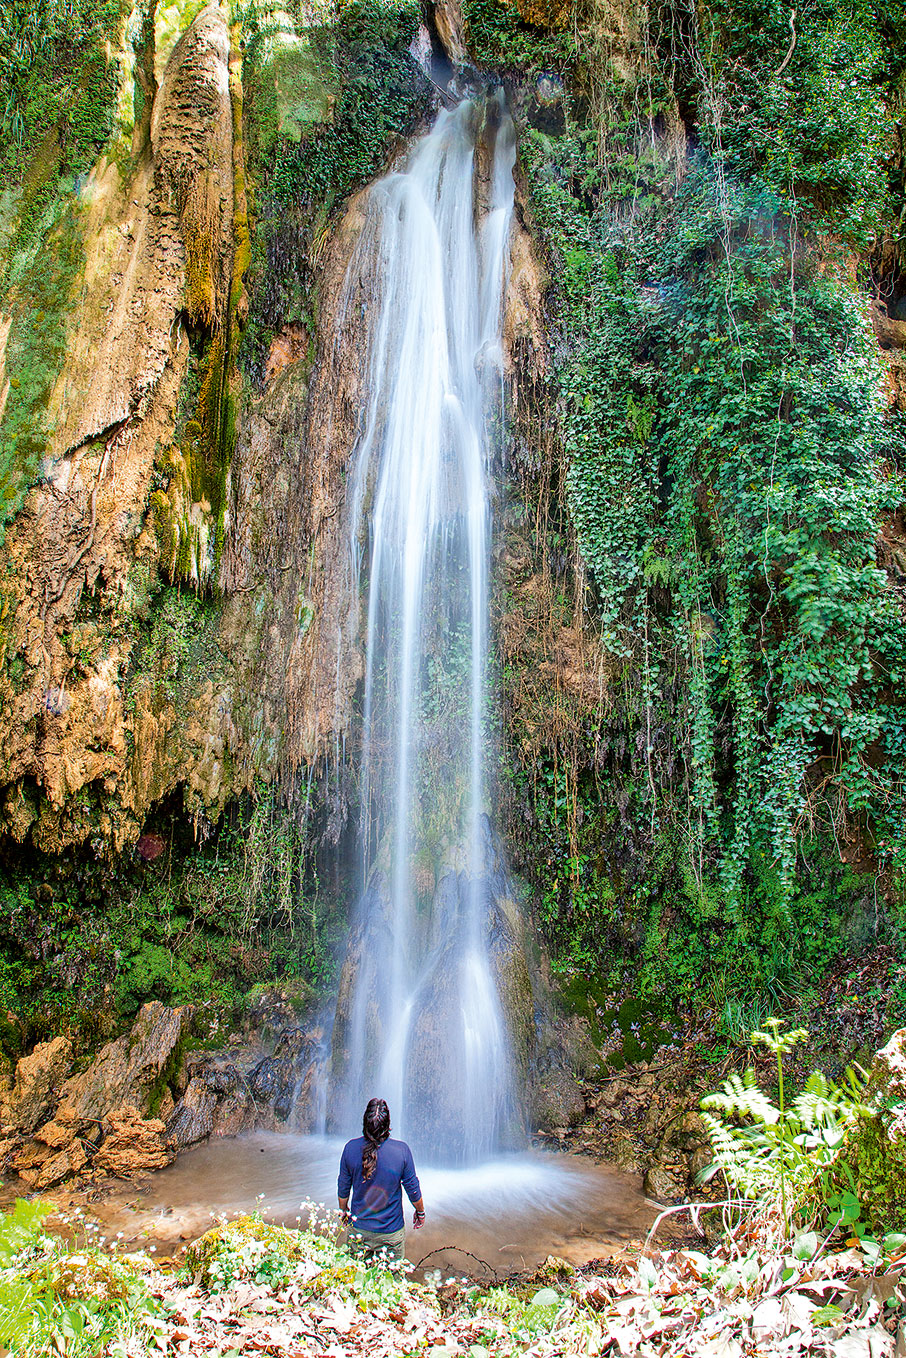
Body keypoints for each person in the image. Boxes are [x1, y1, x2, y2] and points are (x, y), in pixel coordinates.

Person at [337, 1097, 425, 1262]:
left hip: (359, 1229)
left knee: (355, 1280)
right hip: (390, 1232)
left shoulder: (350, 1149)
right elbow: (413, 1189)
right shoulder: (401, 1151)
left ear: (364, 1122)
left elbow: (343, 1187)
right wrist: (420, 1212)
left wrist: (343, 1211)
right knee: (392, 1283)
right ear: (388, 1125)